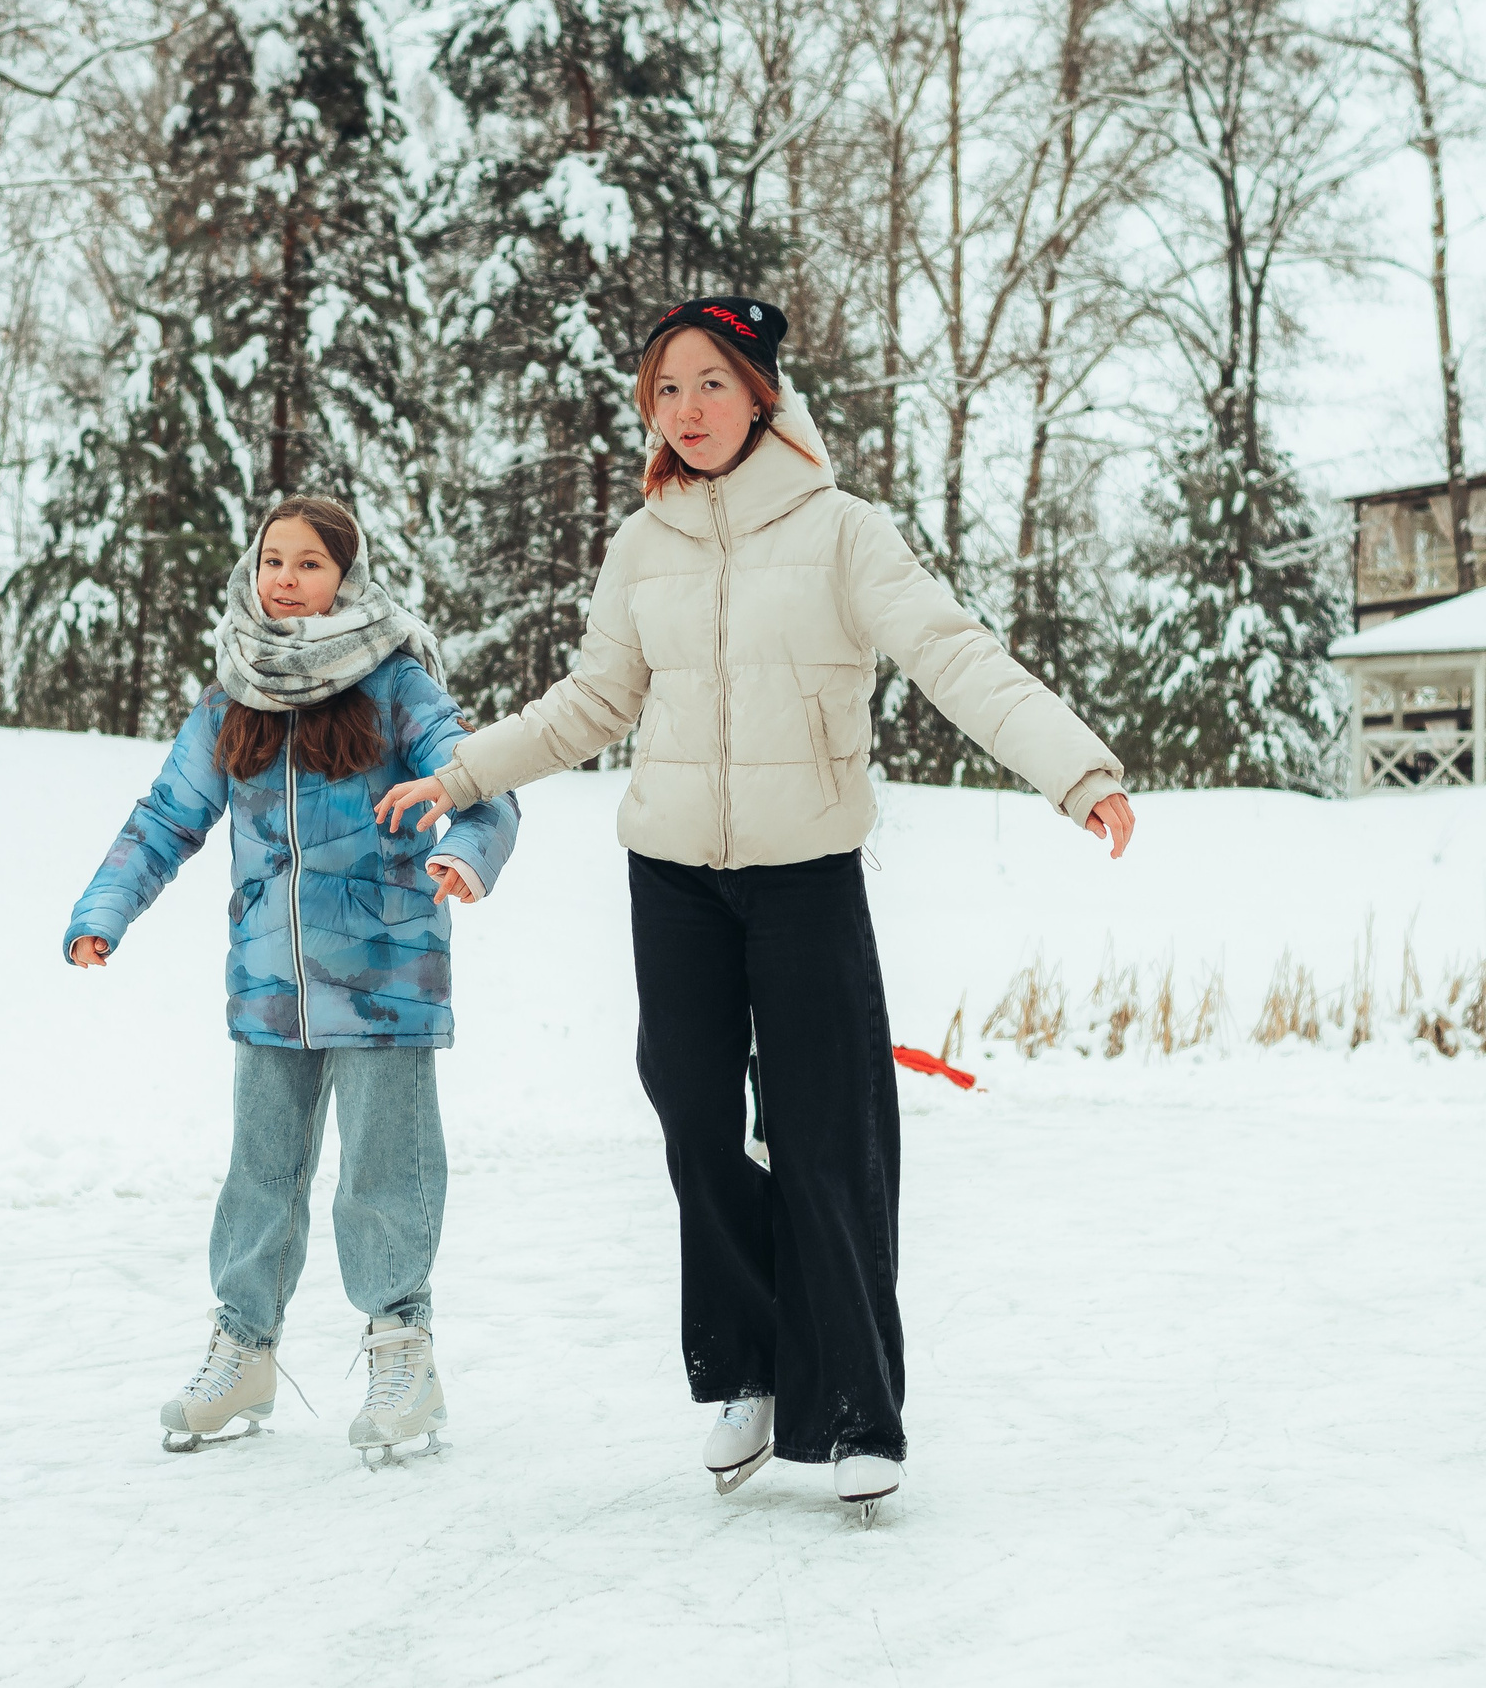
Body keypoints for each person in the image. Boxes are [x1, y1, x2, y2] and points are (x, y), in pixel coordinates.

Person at [377, 297, 1136, 1520]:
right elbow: (592, 701)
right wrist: (462, 775)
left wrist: (1074, 769)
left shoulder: (843, 532)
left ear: (761, 395)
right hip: (671, 877)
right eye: (665, 388)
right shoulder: (643, 543)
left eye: (710, 383)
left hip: (803, 877)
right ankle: (748, 1370)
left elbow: (952, 654)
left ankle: (857, 1410)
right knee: (693, 1119)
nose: (685, 409)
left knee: (827, 1137)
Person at [64, 496, 520, 1465]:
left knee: (383, 1175)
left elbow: (483, 782)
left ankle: (403, 1353)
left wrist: (466, 854)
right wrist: (105, 909)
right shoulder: (235, 690)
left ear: (347, 579)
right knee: (260, 1177)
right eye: (273, 559)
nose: (285, 579)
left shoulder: (395, 683)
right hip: (270, 987)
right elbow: (167, 817)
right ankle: (244, 1350)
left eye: (309, 563)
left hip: (387, 981)